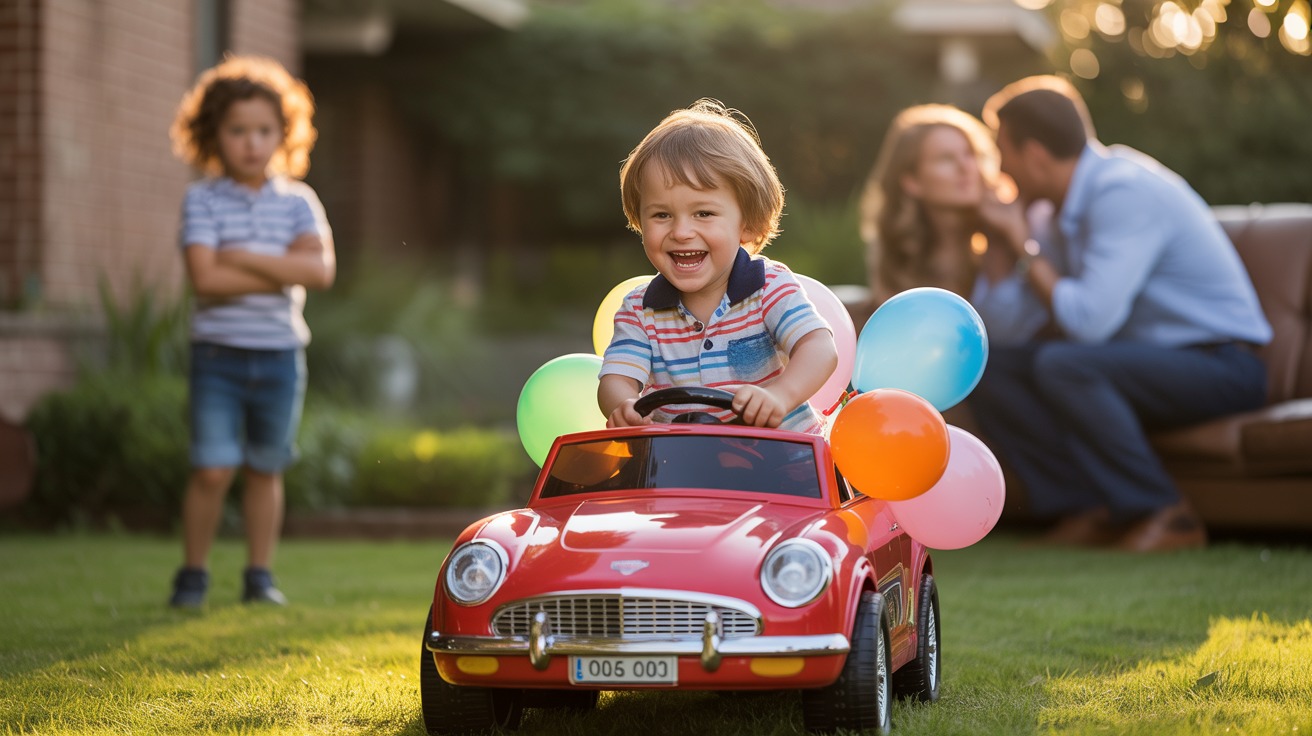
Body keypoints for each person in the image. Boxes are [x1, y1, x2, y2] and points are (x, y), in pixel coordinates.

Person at [967, 75, 1271, 551]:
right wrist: (1001, 245)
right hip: (1143, 365)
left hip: (1223, 365)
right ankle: (1088, 508)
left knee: (1064, 365)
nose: (1000, 171)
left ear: (1036, 155)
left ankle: (1166, 513)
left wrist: (1024, 248)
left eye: (1003, 153)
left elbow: (1088, 324)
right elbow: (1001, 332)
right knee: (990, 367)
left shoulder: (1123, 192)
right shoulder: (1052, 213)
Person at [167, 55, 335, 607]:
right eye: (237, 130)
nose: (251, 142)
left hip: (281, 356)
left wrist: (239, 256)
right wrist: (282, 266)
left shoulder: (299, 202)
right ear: (212, 133)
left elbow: (321, 272)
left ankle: (258, 577)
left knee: (266, 468)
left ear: (283, 133)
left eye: (263, 130)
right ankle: (192, 576)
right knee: (212, 468)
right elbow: (206, 280)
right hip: (218, 356)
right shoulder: (202, 199)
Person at [598, 99, 838, 434]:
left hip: (781, 455)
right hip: (682, 460)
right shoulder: (640, 310)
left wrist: (780, 396)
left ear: (746, 224)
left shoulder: (768, 287)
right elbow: (616, 378)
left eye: (704, 213)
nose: (681, 232)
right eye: (662, 215)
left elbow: (819, 349)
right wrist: (623, 404)